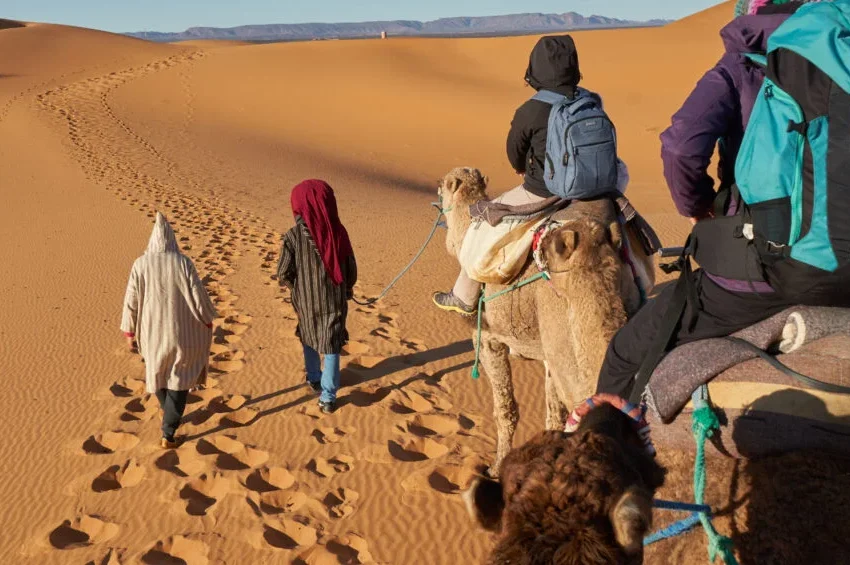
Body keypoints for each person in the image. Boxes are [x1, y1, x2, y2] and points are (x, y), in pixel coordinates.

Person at [595, 0, 825, 400]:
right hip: (843, 257)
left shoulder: (740, 66)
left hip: (762, 270)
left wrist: (698, 207)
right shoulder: (838, 55)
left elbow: (682, 148)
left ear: (751, 13)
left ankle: (602, 444)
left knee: (623, 353)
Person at [433, 34, 629, 315]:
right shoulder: (590, 100)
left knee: (482, 227)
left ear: (536, 68)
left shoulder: (530, 110)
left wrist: (525, 167)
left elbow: (514, 154)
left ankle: (463, 296)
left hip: (546, 191)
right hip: (599, 186)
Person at [121, 212, 217, 448]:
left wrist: (129, 331)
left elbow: (130, 299)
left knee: (157, 372)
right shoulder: (183, 262)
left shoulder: (140, 264)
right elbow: (198, 295)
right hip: (182, 331)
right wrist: (206, 319)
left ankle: (170, 415)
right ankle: (169, 431)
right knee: (180, 376)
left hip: (150, 331)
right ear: (172, 239)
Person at [277, 180, 357, 414]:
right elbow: (350, 268)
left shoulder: (293, 236)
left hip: (306, 302)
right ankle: (328, 398)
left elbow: (283, 272)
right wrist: (348, 288)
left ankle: (314, 378)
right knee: (331, 344)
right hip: (334, 299)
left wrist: (298, 288)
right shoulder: (338, 232)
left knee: (309, 336)